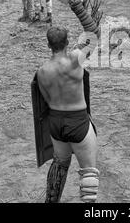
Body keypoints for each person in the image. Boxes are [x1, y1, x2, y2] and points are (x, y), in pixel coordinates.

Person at [37, 26, 99, 203]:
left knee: (60, 164)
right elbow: (93, 34)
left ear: (49, 45)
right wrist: (78, 8)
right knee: (89, 172)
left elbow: (46, 102)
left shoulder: (42, 71)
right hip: (77, 122)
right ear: (67, 42)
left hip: (56, 125)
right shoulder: (74, 59)